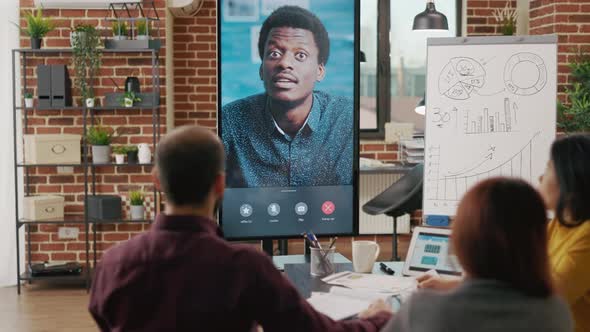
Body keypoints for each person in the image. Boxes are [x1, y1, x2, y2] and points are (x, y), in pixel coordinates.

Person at [88, 126, 391, 332]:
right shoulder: (245, 267)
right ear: (221, 184)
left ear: (156, 180)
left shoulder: (113, 264)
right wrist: (375, 319)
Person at [381, 178, 572, 332]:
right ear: (538, 241)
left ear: (463, 240)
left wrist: (382, 317)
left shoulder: (422, 310)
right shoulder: (555, 314)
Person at [222, 5, 353, 188]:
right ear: (261, 70)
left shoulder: (346, 118)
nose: (284, 63)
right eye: (274, 53)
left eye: (300, 55)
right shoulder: (230, 121)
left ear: (320, 71)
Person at [538, 134, 590, 332]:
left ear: (569, 180)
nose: (540, 177)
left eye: (548, 167)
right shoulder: (558, 224)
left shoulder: (587, 237)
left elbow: (545, 301)